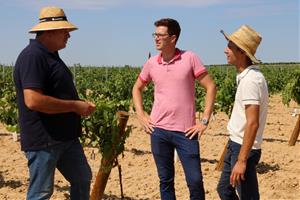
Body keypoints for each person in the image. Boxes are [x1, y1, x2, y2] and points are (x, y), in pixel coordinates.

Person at [13, 6, 96, 200]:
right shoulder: (33, 56)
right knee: (41, 193)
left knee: (83, 178)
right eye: (65, 31)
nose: (69, 35)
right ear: (50, 32)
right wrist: (75, 106)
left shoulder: (50, 56)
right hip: (44, 140)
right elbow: (33, 100)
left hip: (65, 138)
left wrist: (77, 103)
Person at [132, 18, 216, 200]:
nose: (156, 38)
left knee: (195, 181)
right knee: (165, 180)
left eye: (160, 35)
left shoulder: (190, 58)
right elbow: (136, 87)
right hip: (159, 130)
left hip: (186, 132)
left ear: (173, 38)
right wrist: (141, 114)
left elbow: (210, 86)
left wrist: (204, 121)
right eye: (155, 34)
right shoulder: (152, 63)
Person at [217, 25, 268, 200]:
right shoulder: (247, 77)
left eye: (230, 46)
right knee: (224, 190)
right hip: (235, 143)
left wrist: (242, 160)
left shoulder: (251, 81)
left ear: (242, 52)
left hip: (243, 148)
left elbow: (253, 122)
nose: (225, 50)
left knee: (248, 197)